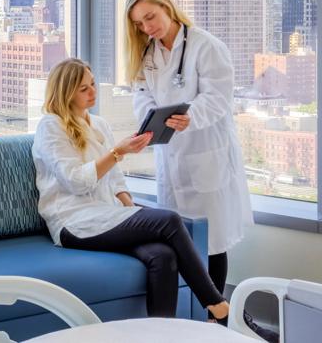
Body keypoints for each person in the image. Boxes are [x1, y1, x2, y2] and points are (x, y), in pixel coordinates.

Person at [125, 0, 278, 342]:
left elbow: (220, 97)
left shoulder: (206, 46)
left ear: (167, 6)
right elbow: (140, 93)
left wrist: (191, 115)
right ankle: (191, 317)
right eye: (139, 23)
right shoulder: (147, 54)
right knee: (181, 238)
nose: (147, 27)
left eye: (151, 17)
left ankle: (216, 322)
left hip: (205, 150)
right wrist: (151, 115)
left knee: (211, 241)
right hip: (170, 153)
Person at [32, 57, 230, 321]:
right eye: (84, 89)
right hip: (73, 222)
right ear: (65, 92)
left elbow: (114, 179)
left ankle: (161, 336)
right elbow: (75, 181)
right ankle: (215, 303)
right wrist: (117, 152)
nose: (93, 92)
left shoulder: (98, 124)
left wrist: (132, 212)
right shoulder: (50, 127)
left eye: (92, 84)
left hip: (107, 215)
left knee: (162, 255)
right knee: (169, 219)